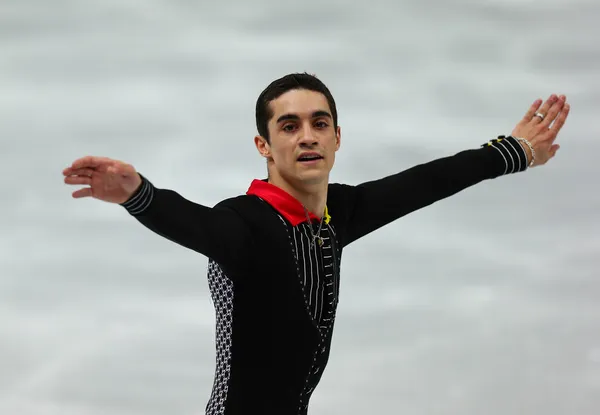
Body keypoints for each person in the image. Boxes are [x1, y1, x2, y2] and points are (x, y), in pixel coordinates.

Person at [62, 73, 570, 415]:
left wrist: (516, 151)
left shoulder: (337, 213)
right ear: (264, 146)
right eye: (289, 125)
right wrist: (138, 195)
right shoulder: (244, 223)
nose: (307, 136)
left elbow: (426, 182)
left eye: (318, 124)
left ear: (336, 137)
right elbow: (196, 225)